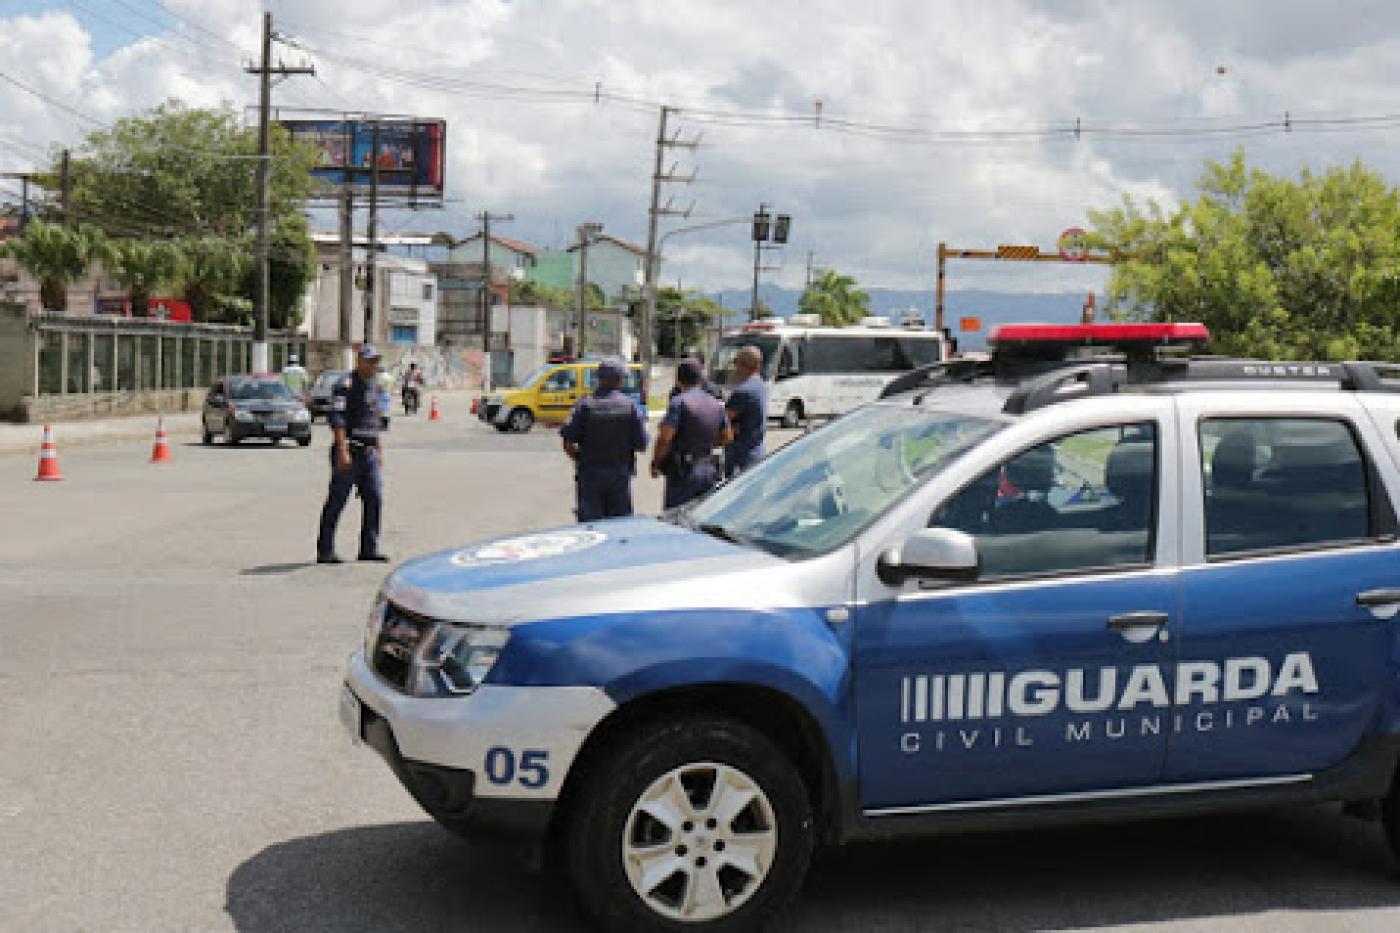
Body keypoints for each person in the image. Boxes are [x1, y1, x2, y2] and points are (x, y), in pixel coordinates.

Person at [316, 345, 388, 564]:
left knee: (374, 498)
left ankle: (369, 548)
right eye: (369, 361)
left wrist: (379, 448)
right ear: (359, 362)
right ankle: (325, 550)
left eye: (375, 361)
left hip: (369, 453)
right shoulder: (345, 386)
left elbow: (373, 419)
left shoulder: (374, 385)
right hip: (349, 450)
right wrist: (342, 450)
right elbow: (338, 418)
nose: (373, 365)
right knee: (337, 500)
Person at [560, 357, 649, 521]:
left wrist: (579, 458)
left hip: (590, 473)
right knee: (619, 527)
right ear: (619, 380)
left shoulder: (584, 406)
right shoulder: (630, 407)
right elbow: (642, 445)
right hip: (619, 474)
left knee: (590, 528)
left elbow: (567, 442)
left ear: (599, 379)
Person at [651, 359, 732, 509]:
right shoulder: (716, 404)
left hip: (683, 472)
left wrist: (656, 463)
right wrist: (706, 443)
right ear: (700, 378)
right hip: (708, 468)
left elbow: (665, 438)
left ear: (677, 379)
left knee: (675, 519)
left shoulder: (679, 402)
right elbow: (727, 436)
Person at [724, 345, 768, 478]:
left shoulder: (743, 391)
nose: (735, 368)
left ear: (743, 364)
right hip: (756, 452)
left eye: (736, 363)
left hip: (742, 458)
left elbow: (722, 419)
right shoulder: (760, 384)